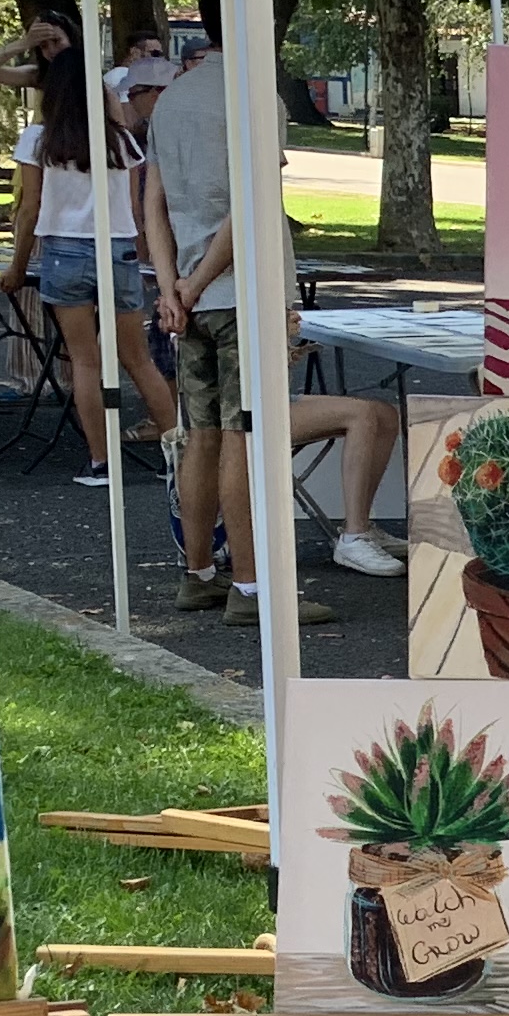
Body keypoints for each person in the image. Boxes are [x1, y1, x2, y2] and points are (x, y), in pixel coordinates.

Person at [137, 47, 402, 625]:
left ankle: (198, 573)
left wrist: (172, 285)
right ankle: (252, 587)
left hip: (189, 295)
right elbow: (251, 204)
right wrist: (197, 282)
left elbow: (152, 202)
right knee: (244, 440)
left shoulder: (171, 98)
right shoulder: (256, 96)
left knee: (200, 437)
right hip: (240, 295)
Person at [11, 45, 176, 490]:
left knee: (85, 362)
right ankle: (179, 454)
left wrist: (17, 266)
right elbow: (136, 207)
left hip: (64, 250)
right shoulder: (120, 140)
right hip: (118, 247)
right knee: (138, 359)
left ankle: (101, 461)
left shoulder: (39, 139)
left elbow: (30, 208)